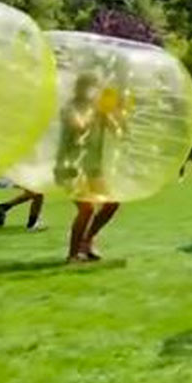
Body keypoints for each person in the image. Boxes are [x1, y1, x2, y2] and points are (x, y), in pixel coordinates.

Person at [58, 71, 128, 263]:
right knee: (86, 208)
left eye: (94, 88)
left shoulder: (99, 111)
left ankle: (86, 242)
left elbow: (120, 133)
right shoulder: (71, 108)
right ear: (79, 88)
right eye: (89, 87)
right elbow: (79, 126)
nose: (92, 91)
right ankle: (73, 255)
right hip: (70, 166)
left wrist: (116, 113)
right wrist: (99, 111)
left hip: (92, 168)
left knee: (112, 203)